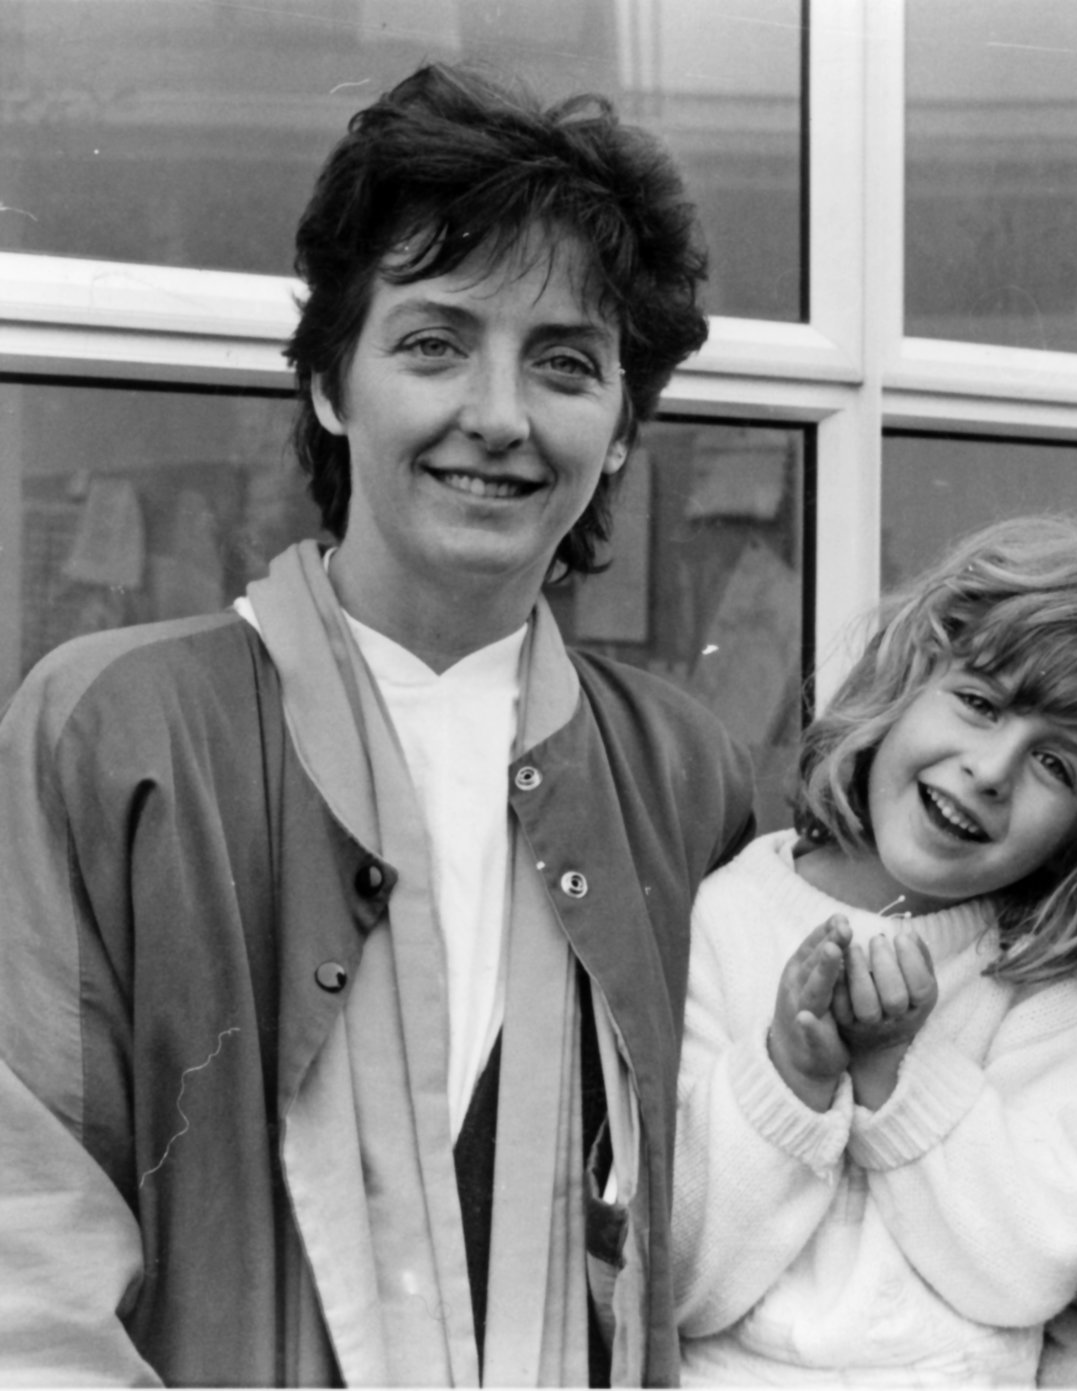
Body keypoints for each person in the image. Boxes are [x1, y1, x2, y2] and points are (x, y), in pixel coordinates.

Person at [0, 65, 755, 1384]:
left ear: (622, 428)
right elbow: (26, 1250)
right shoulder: (111, 728)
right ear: (331, 387)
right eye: (433, 342)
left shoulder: (680, 773)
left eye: (565, 363)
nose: (500, 415)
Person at [669, 516, 1077, 1383]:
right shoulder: (726, 918)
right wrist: (788, 1075)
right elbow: (675, 1280)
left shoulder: (1059, 977)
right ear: (906, 675)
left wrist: (896, 1072)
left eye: (1057, 765)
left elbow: (1027, 1267)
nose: (991, 768)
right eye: (980, 702)